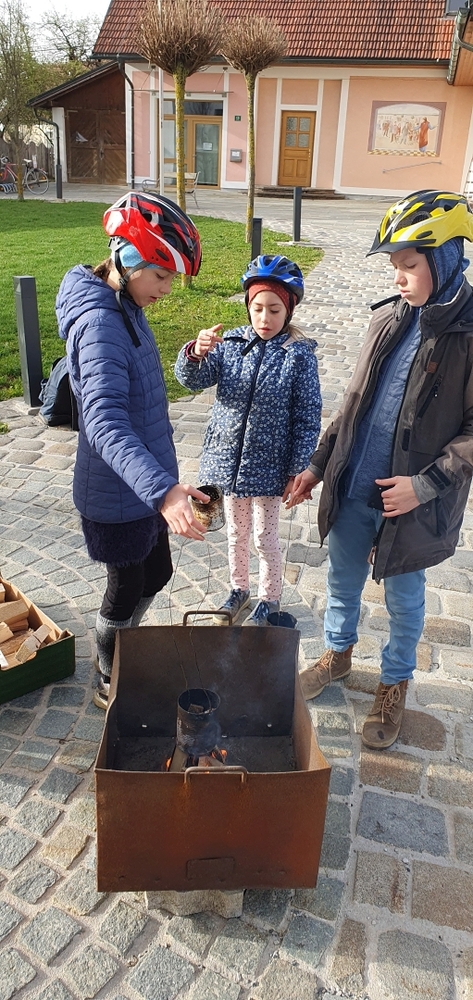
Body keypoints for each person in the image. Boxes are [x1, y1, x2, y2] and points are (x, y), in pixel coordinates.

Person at [287, 190, 473, 749]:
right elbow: (353, 404)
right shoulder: (388, 318)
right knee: (341, 582)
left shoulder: (469, 335)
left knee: (405, 600)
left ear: (445, 257)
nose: (398, 277)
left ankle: (394, 682)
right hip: (353, 488)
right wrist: (319, 465)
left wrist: (424, 486)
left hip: (412, 502)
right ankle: (338, 654)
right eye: (394, 265)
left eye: (409, 265)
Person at [55, 191, 209, 709]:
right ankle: (107, 671)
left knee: (159, 573)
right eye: (161, 276)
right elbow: (104, 422)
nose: (167, 289)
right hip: (116, 495)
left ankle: (124, 647)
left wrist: (164, 484)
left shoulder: (125, 305)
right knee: (125, 588)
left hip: (142, 485)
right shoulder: (101, 324)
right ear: (127, 258)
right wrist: (164, 491)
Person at [174, 254, 322, 625]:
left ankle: (269, 598)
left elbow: (307, 416)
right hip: (226, 464)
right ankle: (238, 589)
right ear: (247, 307)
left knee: (263, 538)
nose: (264, 318)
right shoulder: (231, 343)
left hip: (269, 468)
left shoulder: (297, 355)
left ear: (288, 310)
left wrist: (296, 468)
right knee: (236, 534)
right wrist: (196, 353)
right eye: (257, 309)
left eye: (274, 310)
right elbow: (192, 379)